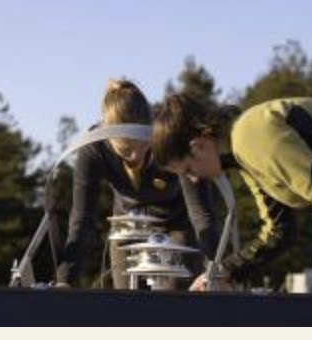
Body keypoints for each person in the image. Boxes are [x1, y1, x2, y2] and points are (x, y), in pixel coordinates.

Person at [152, 94, 312, 327]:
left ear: (198, 146)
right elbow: (279, 230)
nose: (193, 180)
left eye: (187, 170)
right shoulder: (244, 155)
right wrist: (221, 273)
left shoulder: (250, 135)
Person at [56, 79, 220, 289]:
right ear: (108, 133)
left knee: (176, 301)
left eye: (144, 145)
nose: (135, 156)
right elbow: (83, 218)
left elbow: (201, 214)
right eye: (125, 150)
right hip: (127, 227)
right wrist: (65, 280)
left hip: (177, 224)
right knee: (127, 306)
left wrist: (216, 271)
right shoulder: (93, 150)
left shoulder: (171, 137)